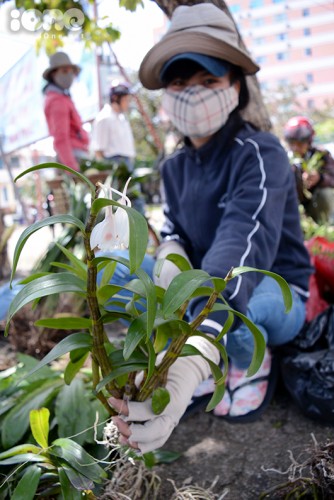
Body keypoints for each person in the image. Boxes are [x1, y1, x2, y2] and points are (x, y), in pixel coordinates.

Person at [106, 4, 313, 454]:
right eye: (179, 82)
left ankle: (245, 361)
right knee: (120, 273)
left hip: (270, 293)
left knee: (245, 304)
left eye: (209, 80)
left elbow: (243, 244)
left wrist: (191, 356)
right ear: (166, 93)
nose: (192, 93)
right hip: (204, 290)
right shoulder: (174, 165)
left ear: (235, 87)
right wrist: (170, 251)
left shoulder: (260, 153)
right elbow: (175, 225)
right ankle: (206, 347)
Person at [42, 52, 90, 172]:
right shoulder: (57, 100)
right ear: (53, 74)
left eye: (71, 71)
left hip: (75, 155)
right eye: (64, 71)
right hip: (71, 157)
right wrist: (72, 169)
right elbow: (61, 137)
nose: (69, 75)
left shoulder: (63, 97)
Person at [284, 116, 334, 224]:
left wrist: (320, 178)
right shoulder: (285, 159)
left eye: (300, 143)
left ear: (309, 141)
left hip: (317, 206)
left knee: (325, 194)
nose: (296, 148)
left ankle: (325, 223)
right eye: (292, 144)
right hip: (296, 209)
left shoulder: (321, 155)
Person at [91, 81, 136, 171]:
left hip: (126, 163)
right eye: (126, 100)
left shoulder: (122, 118)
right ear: (115, 98)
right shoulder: (104, 118)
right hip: (114, 165)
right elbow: (98, 150)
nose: (128, 103)